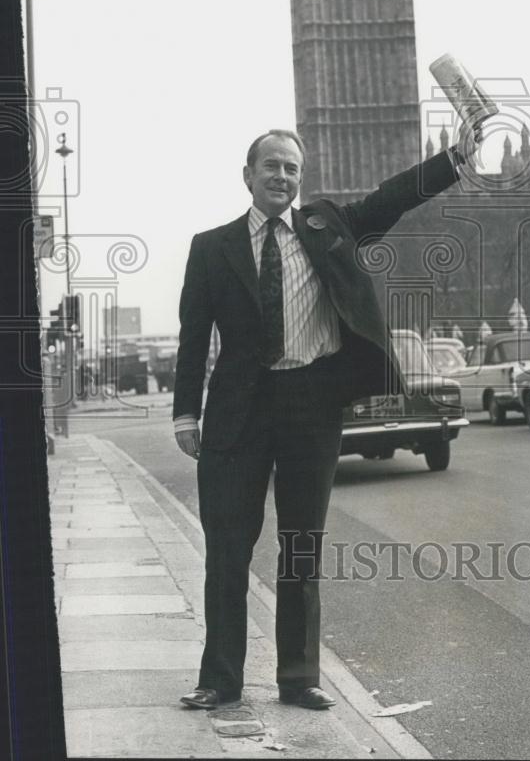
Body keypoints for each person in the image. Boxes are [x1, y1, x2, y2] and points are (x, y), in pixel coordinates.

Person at [173, 124, 481, 711]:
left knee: (301, 548)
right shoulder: (211, 247)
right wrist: (186, 413)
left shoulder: (328, 225)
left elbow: (391, 196)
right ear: (248, 174)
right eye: (271, 167)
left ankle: (298, 679)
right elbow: (193, 338)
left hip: (312, 404)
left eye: (291, 168)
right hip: (238, 410)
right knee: (228, 549)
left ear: (300, 179)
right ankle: (219, 680)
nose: (281, 177)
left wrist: (454, 158)